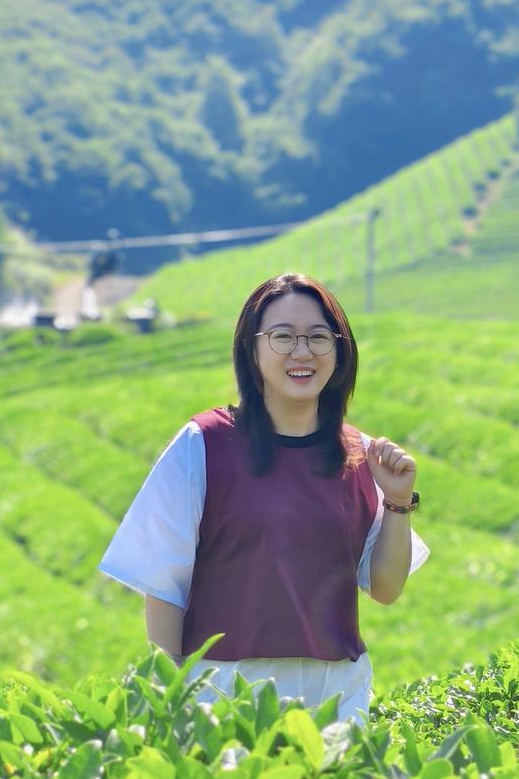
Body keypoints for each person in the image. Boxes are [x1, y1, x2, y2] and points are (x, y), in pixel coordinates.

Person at [98, 272, 429, 725]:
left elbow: (386, 589)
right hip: (224, 687)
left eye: (318, 337)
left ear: (340, 349)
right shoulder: (205, 443)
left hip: (335, 694)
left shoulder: (359, 455)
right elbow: (164, 583)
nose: (302, 352)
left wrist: (396, 502)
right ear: (251, 350)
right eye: (282, 337)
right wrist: (172, 696)